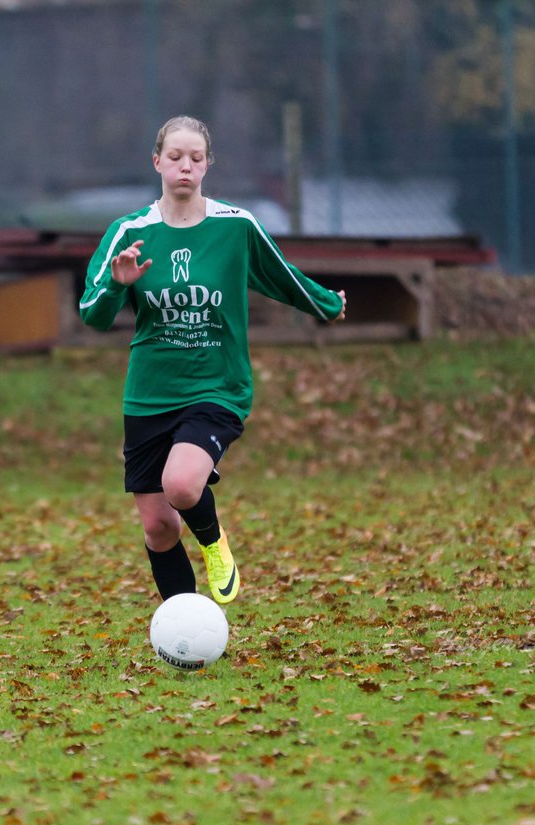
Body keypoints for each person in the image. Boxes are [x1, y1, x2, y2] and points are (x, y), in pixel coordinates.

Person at [79, 115, 346, 605]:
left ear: (207, 165)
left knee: (181, 486)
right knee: (159, 528)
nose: (185, 167)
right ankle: (187, 635)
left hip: (216, 387)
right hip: (149, 393)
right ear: (157, 162)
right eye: (175, 157)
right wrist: (118, 286)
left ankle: (212, 539)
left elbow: (279, 272)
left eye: (196, 159)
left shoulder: (235, 227)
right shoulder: (129, 231)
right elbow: (92, 316)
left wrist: (324, 302)